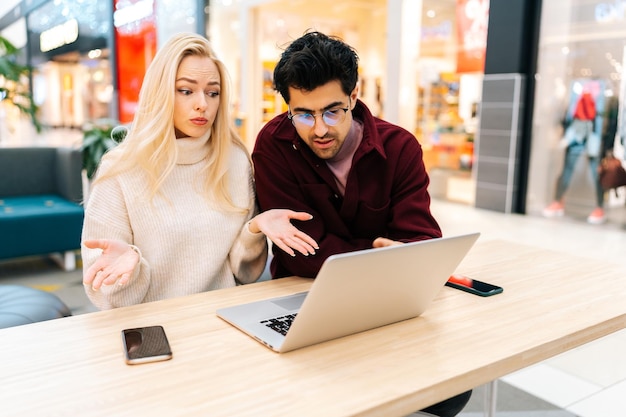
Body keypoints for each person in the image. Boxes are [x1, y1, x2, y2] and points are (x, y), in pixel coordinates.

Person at [252, 31, 469, 417]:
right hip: (304, 297)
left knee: (452, 392)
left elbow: (422, 243)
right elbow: (301, 254)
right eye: (303, 113)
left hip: (388, 301)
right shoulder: (274, 145)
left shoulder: (400, 148)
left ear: (354, 96)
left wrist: (405, 256)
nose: (319, 128)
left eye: (332, 111)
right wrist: (377, 255)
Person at [81, 33, 317, 310]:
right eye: (186, 90)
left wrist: (254, 230)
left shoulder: (234, 160)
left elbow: (243, 275)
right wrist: (130, 268)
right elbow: (104, 296)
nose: (202, 104)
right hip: (153, 327)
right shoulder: (121, 169)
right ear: (160, 93)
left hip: (223, 321)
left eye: (212, 92)